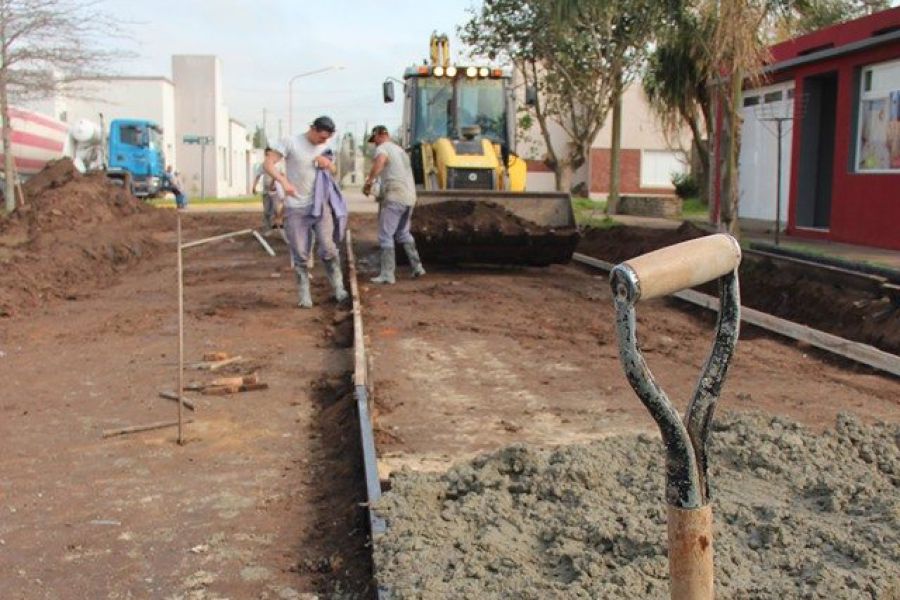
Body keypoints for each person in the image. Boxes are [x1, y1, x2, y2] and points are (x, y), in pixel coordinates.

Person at [264, 116, 348, 308]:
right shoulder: (291, 142)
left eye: (327, 139)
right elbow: (268, 164)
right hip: (295, 207)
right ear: (312, 129)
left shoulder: (326, 147)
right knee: (300, 252)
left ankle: (339, 288)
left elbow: (334, 169)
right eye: (321, 137)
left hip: (319, 204)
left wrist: (328, 164)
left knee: (328, 247)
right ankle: (304, 295)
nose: (323, 142)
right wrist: (284, 182)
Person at [363, 125, 425, 284]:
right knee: (403, 233)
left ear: (378, 135)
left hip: (395, 195)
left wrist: (369, 182)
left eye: (374, 140)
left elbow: (380, 163)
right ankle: (417, 267)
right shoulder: (401, 151)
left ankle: (387, 274)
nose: (374, 143)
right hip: (410, 196)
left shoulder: (383, 148)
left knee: (385, 235)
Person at [252, 147, 282, 232]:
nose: (268, 156)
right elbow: (258, 175)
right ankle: (267, 228)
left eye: (270, 154)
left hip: (275, 190)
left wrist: (273, 185)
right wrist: (254, 186)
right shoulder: (263, 165)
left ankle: (279, 226)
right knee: (266, 211)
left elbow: (278, 176)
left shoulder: (278, 165)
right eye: (266, 154)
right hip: (266, 190)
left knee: (277, 209)